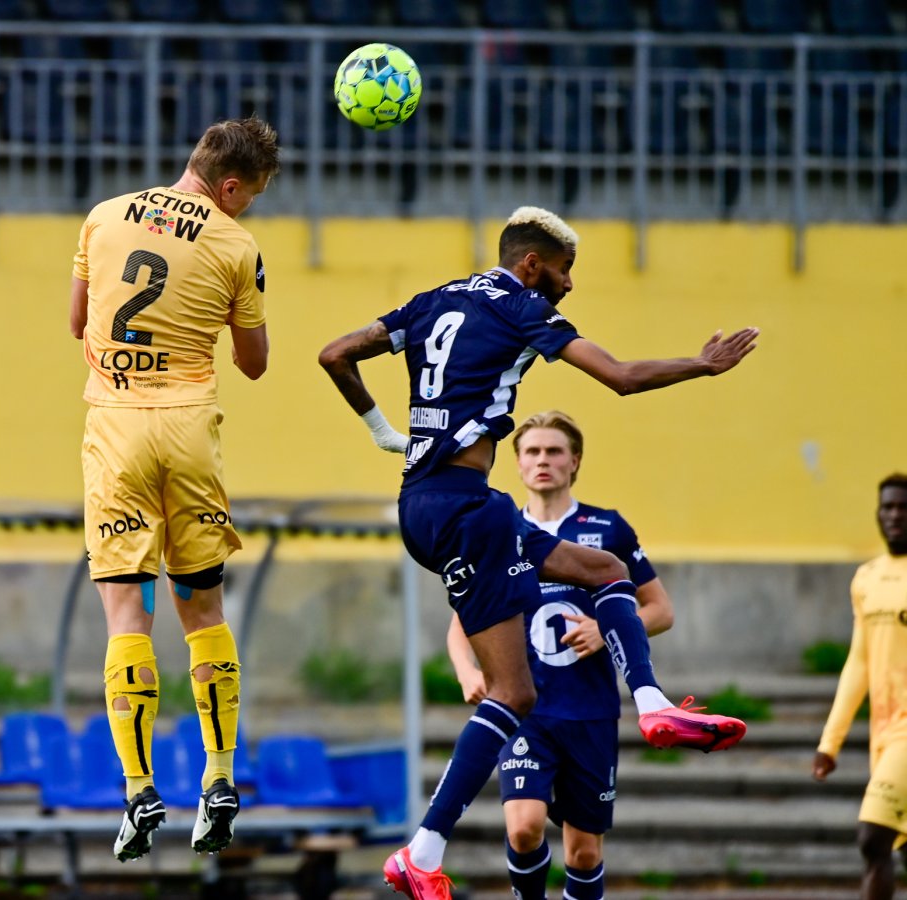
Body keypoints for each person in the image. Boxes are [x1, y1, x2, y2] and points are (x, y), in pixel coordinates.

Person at [317, 206, 755, 899]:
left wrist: (380, 431)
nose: (568, 285)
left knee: (604, 570)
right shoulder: (524, 308)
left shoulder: (434, 300)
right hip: (467, 509)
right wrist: (700, 366)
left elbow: (335, 353)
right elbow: (620, 376)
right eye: (563, 270)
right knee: (516, 692)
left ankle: (649, 700)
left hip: (426, 504)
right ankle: (421, 852)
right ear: (531, 265)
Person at [70, 116, 277, 861]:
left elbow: (75, 322)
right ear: (228, 187)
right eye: (248, 197)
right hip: (189, 431)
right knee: (202, 608)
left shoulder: (104, 216)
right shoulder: (235, 245)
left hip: (117, 427)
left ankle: (138, 789)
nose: (247, 208)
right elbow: (253, 364)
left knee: (127, 610)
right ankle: (218, 776)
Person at [447, 411, 675, 900]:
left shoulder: (608, 529)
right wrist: (467, 670)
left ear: (575, 461)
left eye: (553, 451)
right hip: (525, 707)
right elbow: (460, 626)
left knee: (584, 853)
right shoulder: (497, 529)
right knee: (523, 829)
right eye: (532, 452)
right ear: (518, 464)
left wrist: (603, 625)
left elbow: (659, 609)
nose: (543, 460)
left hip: (590, 709)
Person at [814, 473, 907, 900]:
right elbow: (860, 661)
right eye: (887, 507)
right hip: (884, 732)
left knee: (873, 837)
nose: (894, 515)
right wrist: (830, 742)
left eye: (903, 507)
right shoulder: (866, 579)